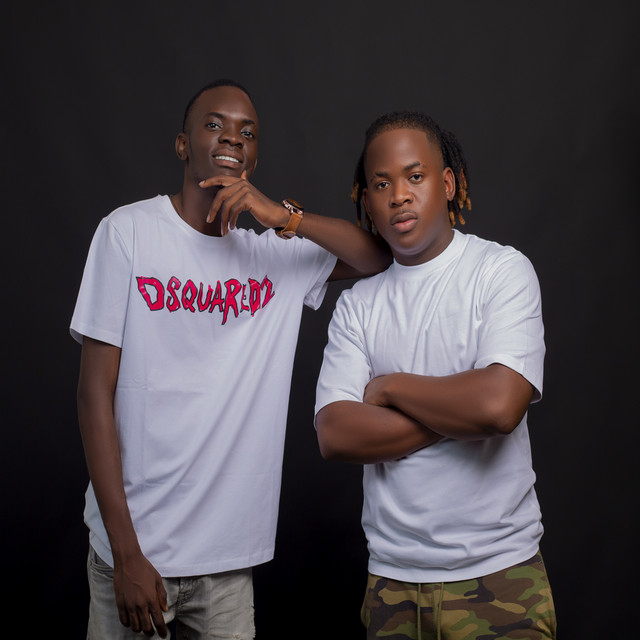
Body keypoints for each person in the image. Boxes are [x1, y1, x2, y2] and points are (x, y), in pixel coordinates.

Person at [70, 78, 391, 639]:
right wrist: (125, 553)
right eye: (214, 124)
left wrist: (282, 218)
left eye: (247, 132)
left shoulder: (274, 258)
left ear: (254, 157)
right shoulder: (128, 233)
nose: (232, 138)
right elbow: (94, 393)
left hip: (225, 563)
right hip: (136, 551)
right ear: (182, 144)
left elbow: (377, 255)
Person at [314, 111, 557, 639]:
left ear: (447, 184)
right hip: (392, 585)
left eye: (415, 176)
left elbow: (498, 407)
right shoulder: (357, 305)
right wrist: (458, 413)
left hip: (500, 575)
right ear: (367, 201)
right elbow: (336, 433)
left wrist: (389, 387)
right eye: (382, 184)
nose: (399, 195)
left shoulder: (501, 272)